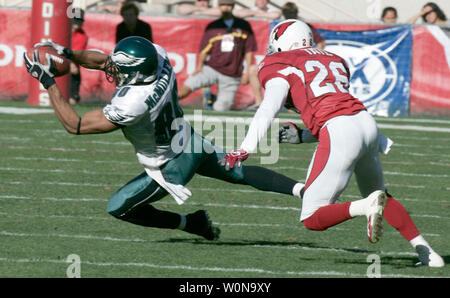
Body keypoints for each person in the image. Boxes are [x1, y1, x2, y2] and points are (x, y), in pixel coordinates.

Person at [23, 36, 304, 241]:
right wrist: (68, 53)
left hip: (169, 165)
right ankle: (303, 190)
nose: (113, 71)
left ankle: (191, 223)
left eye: (121, 70)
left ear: (134, 72)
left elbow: (76, 125)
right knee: (240, 172)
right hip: (190, 141)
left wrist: (47, 81)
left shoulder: (132, 102)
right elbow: (105, 61)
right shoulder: (158, 58)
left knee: (118, 207)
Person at [220, 19, 444, 267]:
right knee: (382, 195)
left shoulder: (278, 62)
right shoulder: (333, 59)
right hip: (366, 124)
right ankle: (428, 254)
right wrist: (304, 135)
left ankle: (364, 207)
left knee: (312, 217)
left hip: (341, 130)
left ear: (281, 42)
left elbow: (268, 107)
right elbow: (337, 108)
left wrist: (245, 147)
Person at [178, 0, 257, 111]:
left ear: (233, 6)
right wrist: (199, 66)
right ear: (219, 7)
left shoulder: (243, 25)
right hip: (212, 68)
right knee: (184, 90)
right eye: (223, 5)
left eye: (229, 5)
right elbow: (204, 50)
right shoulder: (213, 26)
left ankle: (212, 98)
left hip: (232, 74)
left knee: (221, 109)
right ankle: (164, 106)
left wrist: (247, 72)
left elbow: (249, 50)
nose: (226, 8)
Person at [247, 1, 325, 111]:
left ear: (296, 13)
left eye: (291, 13)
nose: (289, 15)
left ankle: (294, 107)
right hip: (280, 60)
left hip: (298, 62)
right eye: (288, 13)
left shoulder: (304, 26)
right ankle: (259, 103)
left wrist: (310, 55)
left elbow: (321, 43)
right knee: (254, 70)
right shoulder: (278, 25)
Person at [69, 8, 89, 105]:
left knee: (72, 100)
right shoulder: (62, 31)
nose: (78, 22)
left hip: (72, 69)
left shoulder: (82, 36)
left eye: (80, 20)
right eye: (76, 19)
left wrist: (71, 64)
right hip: (62, 66)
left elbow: (76, 54)